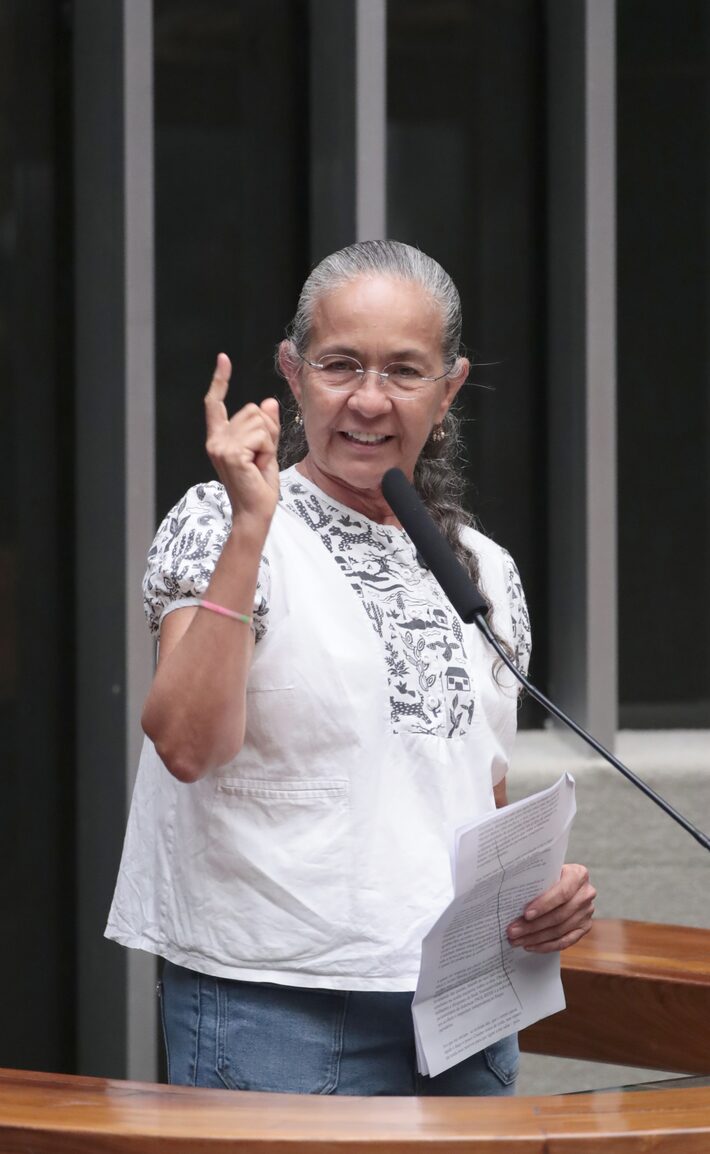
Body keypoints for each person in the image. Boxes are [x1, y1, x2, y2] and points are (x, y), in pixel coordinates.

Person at [106, 240, 595, 1096]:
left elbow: (474, 789)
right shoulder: (219, 523)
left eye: (405, 372)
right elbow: (186, 744)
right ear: (293, 375)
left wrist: (541, 891)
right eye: (340, 365)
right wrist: (250, 525)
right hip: (279, 1008)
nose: (369, 400)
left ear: (448, 390)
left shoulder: (481, 566)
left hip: (464, 1010)